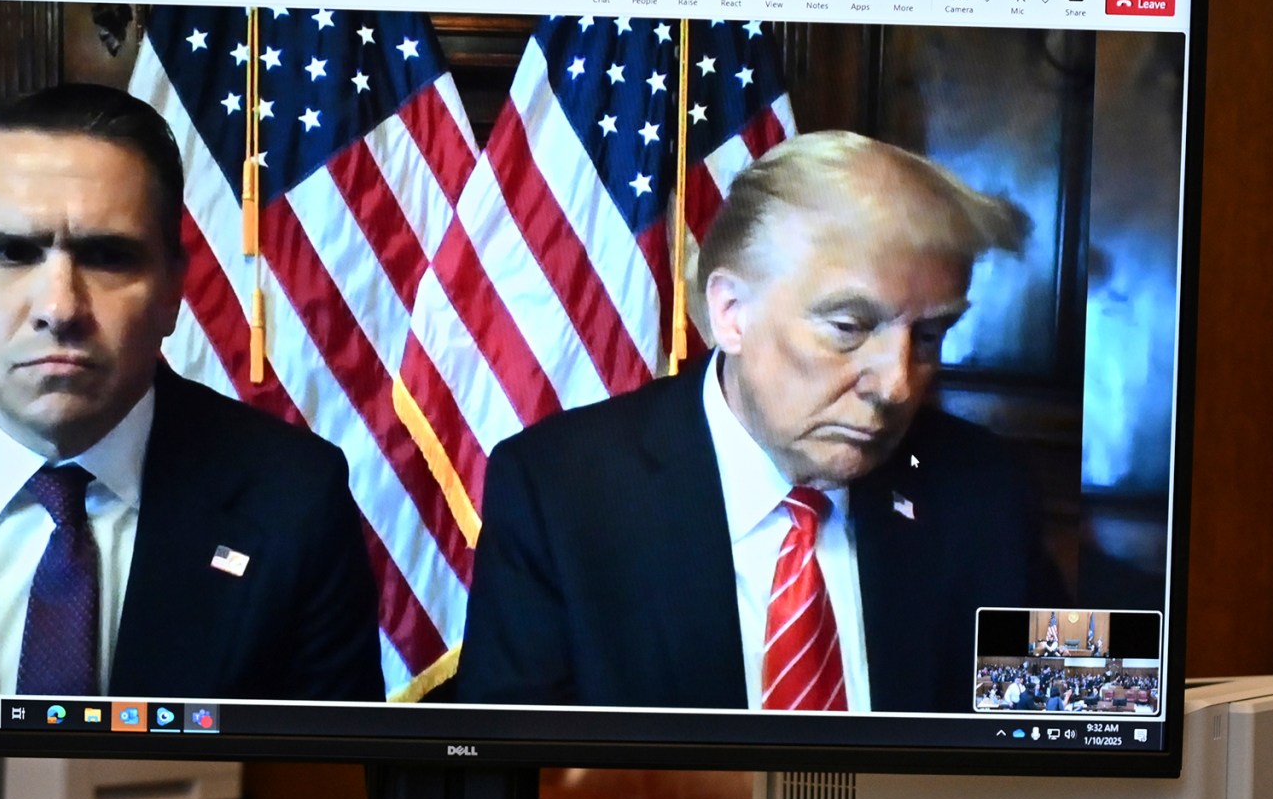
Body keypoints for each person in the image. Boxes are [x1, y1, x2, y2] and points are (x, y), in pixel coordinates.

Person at [0, 83, 382, 701]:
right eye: (12, 253)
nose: (60, 308)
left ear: (174, 289)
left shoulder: (294, 500)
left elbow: (325, 786)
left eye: (107, 257)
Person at [456, 130, 1069, 713]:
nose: (897, 384)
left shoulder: (982, 489)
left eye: (930, 335)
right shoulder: (561, 495)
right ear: (731, 313)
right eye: (850, 328)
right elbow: (515, 783)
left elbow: (1076, 732)